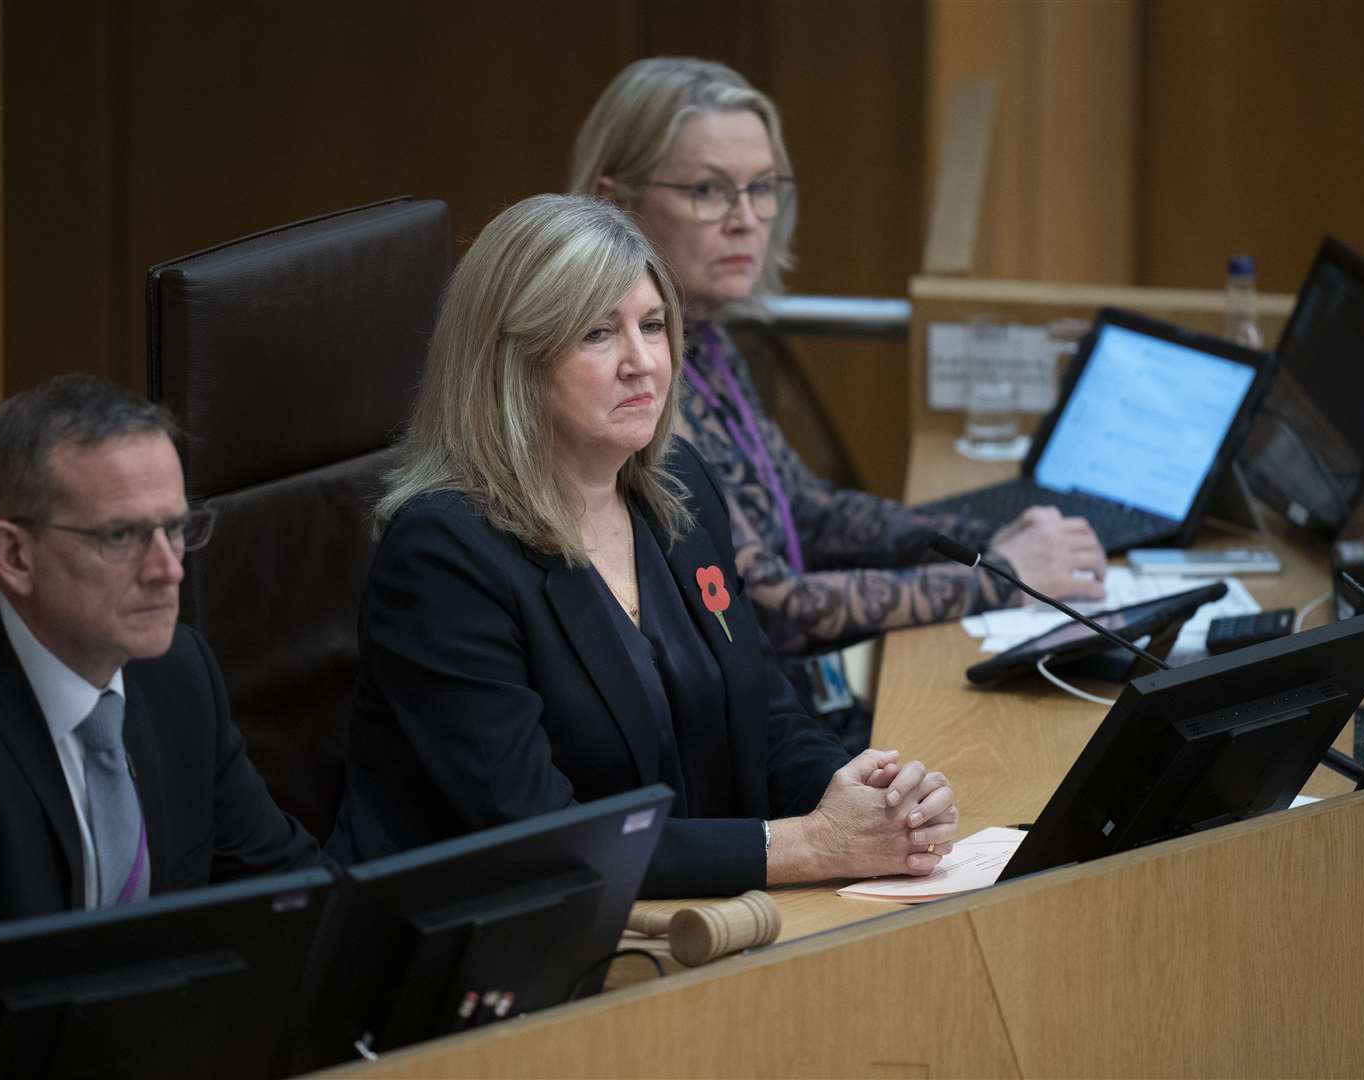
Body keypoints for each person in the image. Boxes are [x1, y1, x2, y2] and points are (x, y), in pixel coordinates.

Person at [327, 194, 957, 899]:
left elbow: (761, 709)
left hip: (683, 912)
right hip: (498, 955)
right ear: (510, 363)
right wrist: (809, 845)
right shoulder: (443, 557)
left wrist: (868, 800)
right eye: (597, 334)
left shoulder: (678, 487)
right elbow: (543, 837)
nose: (642, 362)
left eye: (652, 326)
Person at [570, 58, 1108, 743]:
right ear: (616, 202)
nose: (745, 220)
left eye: (762, 189)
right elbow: (771, 607)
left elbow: (812, 514)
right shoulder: (632, 383)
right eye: (709, 190)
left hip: (799, 705)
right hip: (742, 735)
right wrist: (1001, 577)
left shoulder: (707, 339)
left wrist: (988, 539)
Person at [0, 375, 322, 1061]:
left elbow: (293, 894)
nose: (168, 569)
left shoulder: (175, 673)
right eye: (121, 536)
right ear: (14, 555)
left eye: (176, 528)